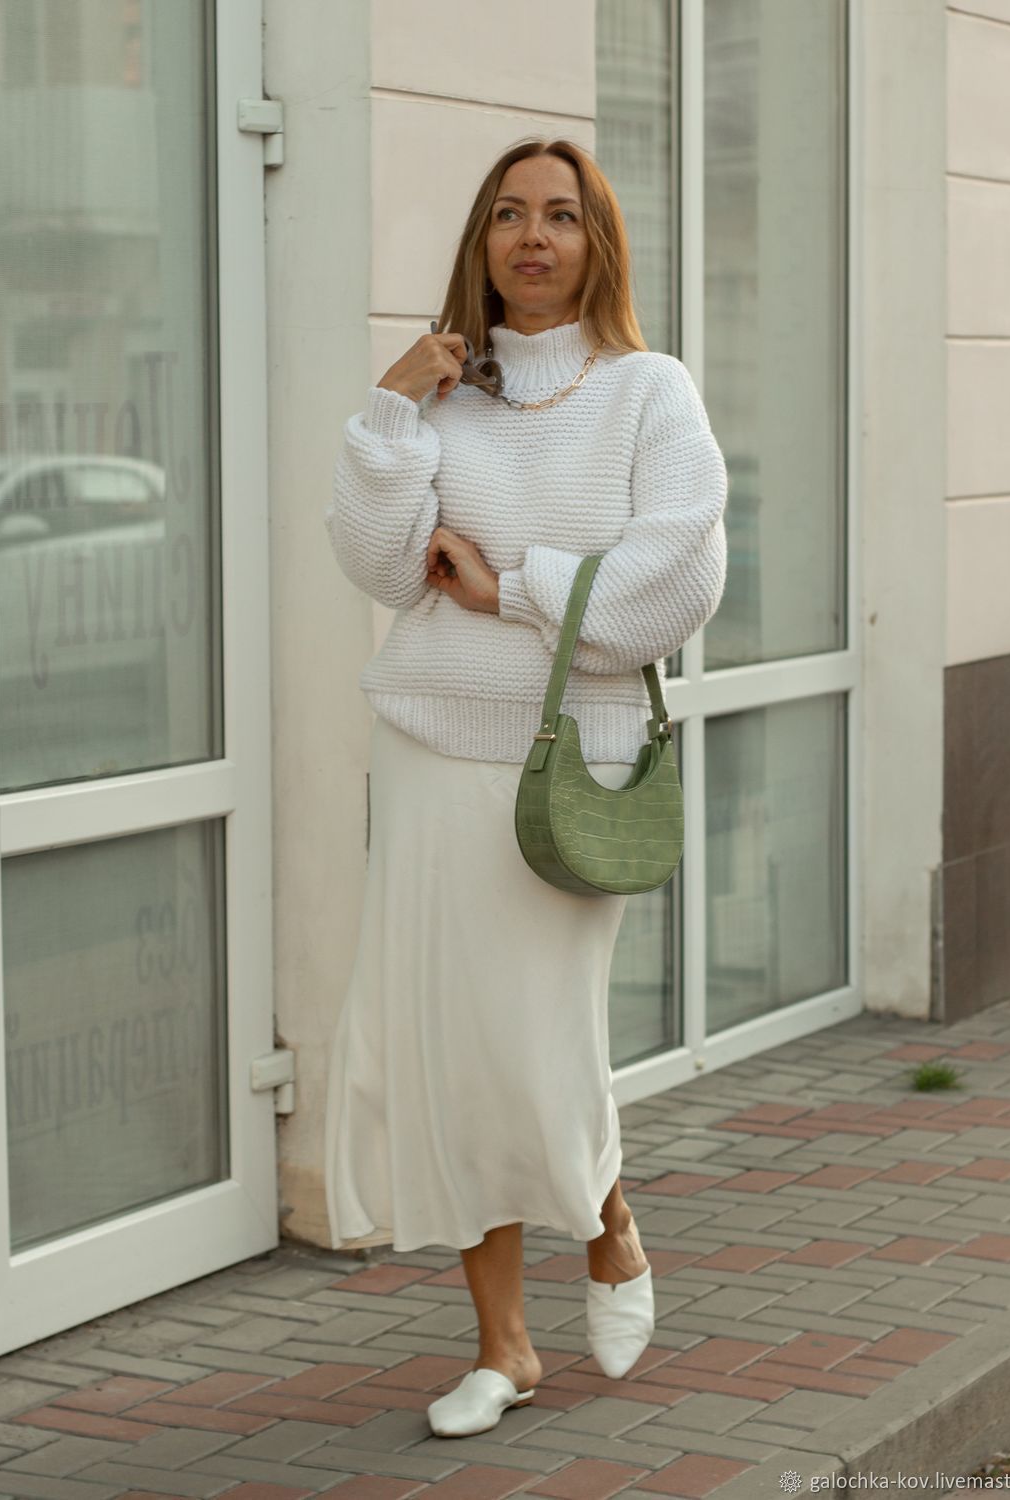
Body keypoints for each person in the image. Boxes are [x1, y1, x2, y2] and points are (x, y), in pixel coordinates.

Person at [322, 136, 728, 1440]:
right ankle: (503, 1345)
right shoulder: (444, 397)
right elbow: (379, 566)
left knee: (537, 1041)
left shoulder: (648, 391)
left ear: (596, 241)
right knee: (448, 1051)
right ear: (482, 241)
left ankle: (608, 1221)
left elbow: (677, 578)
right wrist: (391, 411)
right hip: (428, 751)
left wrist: (517, 591)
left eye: (559, 214)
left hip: (564, 772)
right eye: (508, 214)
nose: (532, 236)